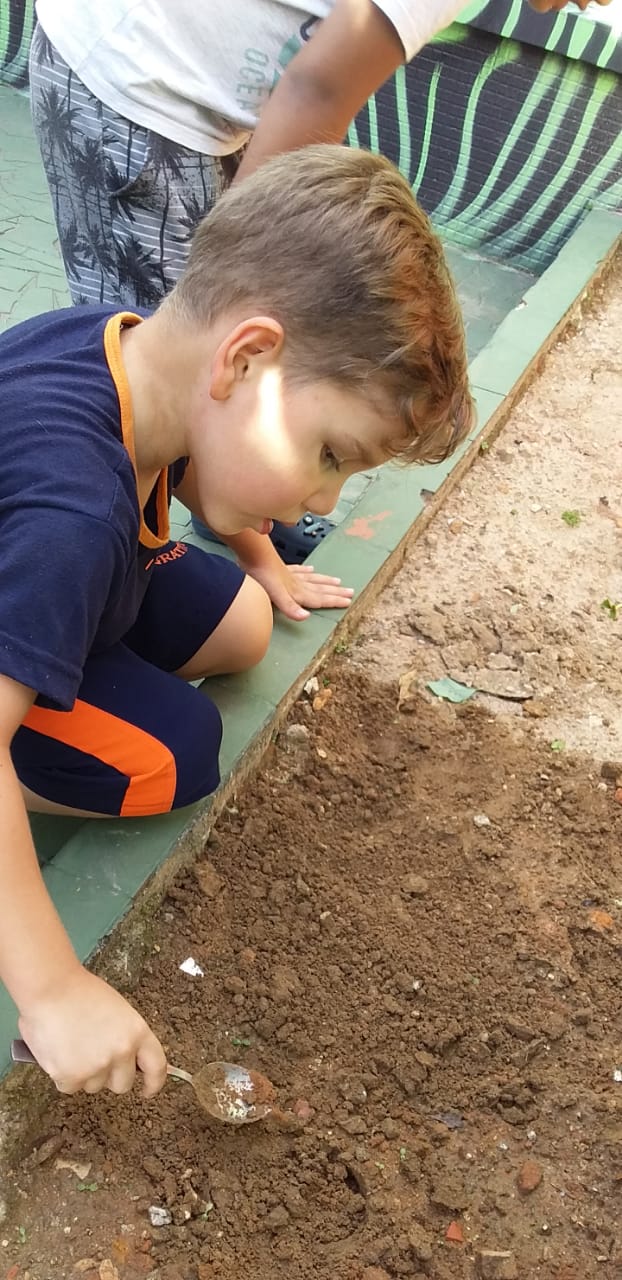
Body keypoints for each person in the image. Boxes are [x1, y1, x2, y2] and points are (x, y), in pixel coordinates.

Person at [0, 144, 474, 1098]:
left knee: (245, 623)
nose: (321, 501)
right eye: (330, 454)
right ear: (246, 358)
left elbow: (191, 461)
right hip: (41, 579)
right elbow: (67, 535)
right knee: (172, 755)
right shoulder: (73, 520)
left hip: (50, 574)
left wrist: (260, 554)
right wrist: (52, 989)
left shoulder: (131, 349)